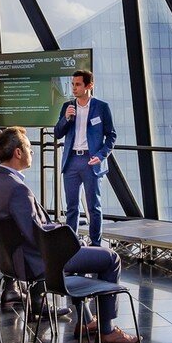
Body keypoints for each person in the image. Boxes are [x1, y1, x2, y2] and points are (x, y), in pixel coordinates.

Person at [0, 127, 140, 343]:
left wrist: (63, 234)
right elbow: (37, 236)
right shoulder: (17, 189)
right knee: (110, 258)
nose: (31, 152)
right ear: (18, 153)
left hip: (11, 261)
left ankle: (86, 321)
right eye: (29, 148)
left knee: (78, 250)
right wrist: (70, 242)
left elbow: (29, 227)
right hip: (38, 260)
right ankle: (107, 330)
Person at [53, 69, 116, 247]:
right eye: (73, 84)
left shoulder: (101, 107)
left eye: (78, 84)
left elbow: (111, 136)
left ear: (89, 85)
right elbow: (58, 133)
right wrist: (66, 119)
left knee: (93, 207)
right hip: (71, 161)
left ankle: (95, 245)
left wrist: (101, 155)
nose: (74, 88)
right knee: (72, 208)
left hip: (91, 161)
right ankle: (71, 245)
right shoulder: (67, 107)